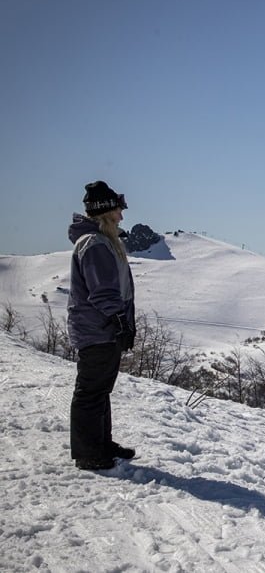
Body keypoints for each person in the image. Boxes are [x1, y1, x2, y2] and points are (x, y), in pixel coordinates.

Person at [67, 180, 138, 470]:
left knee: (100, 390)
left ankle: (101, 443)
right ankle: (87, 453)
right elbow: (102, 291)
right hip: (97, 330)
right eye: (119, 210)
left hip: (102, 330)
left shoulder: (101, 242)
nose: (122, 216)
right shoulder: (95, 244)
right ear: (106, 213)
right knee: (91, 391)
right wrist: (119, 320)